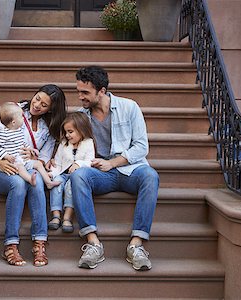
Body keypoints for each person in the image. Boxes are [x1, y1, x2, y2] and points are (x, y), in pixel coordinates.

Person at [70, 66, 159, 271]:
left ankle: (136, 245)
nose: (80, 97)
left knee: (150, 176)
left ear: (101, 91)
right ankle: (93, 244)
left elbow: (141, 146)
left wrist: (113, 162)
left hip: (130, 170)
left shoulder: (129, 107)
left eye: (85, 93)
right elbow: (72, 146)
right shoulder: (80, 115)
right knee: (79, 177)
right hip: (100, 173)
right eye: (78, 91)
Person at [0, 84, 67, 267]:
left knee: (35, 181)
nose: (37, 105)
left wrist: (40, 158)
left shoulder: (49, 126)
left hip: (27, 167)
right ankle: (10, 244)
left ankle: (39, 243)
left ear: (51, 109)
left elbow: (43, 156)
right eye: (37, 98)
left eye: (44, 105)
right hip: (0, 169)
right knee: (19, 184)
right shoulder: (12, 110)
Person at [0, 101, 61, 189]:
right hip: (14, 162)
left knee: (38, 164)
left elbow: (24, 143)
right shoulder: (2, 133)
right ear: (14, 122)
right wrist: (6, 156)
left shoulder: (19, 131)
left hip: (24, 160)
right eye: (21, 117)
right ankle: (30, 179)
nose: (24, 118)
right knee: (21, 169)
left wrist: (31, 150)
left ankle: (48, 182)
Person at [48, 112, 95, 233]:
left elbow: (90, 161)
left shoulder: (88, 143)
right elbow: (57, 163)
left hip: (78, 176)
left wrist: (78, 163)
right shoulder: (64, 144)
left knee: (70, 187)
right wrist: (52, 174)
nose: (67, 135)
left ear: (81, 130)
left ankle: (67, 217)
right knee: (56, 183)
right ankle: (56, 215)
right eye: (66, 132)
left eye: (71, 132)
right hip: (63, 174)